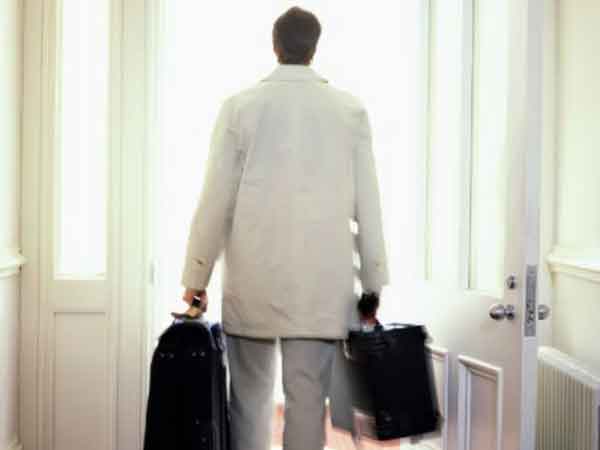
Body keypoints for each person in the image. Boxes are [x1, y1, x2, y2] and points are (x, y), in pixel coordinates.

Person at [178, 6, 389, 450]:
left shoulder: (239, 108)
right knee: (308, 406)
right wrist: (372, 285)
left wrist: (196, 277)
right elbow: (369, 205)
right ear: (315, 48)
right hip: (320, 288)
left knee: (248, 403)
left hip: (253, 281)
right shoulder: (349, 111)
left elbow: (214, 200)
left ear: (275, 46)